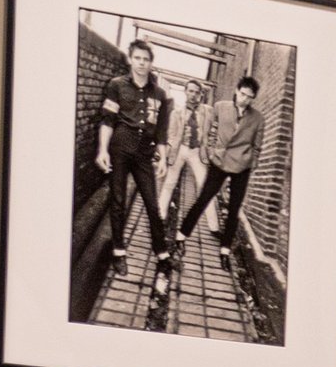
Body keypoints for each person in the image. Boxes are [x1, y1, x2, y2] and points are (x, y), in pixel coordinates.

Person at [92, 40, 171, 286]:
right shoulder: (116, 86)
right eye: (137, 58)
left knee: (151, 202)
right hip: (120, 147)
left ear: (151, 63)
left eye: (146, 59)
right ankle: (118, 251)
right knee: (118, 201)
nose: (141, 63)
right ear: (130, 59)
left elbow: (161, 133)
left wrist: (164, 159)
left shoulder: (159, 95)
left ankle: (161, 253)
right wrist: (102, 149)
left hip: (144, 153)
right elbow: (107, 120)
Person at [176, 74, 264, 254]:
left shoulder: (258, 118)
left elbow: (257, 145)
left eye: (249, 97)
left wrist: (252, 162)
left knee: (234, 207)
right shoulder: (220, 107)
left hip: (242, 165)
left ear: (253, 98)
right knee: (204, 198)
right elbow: (210, 131)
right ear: (236, 91)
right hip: (219, 161)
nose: (245, 99)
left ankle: (225, 248)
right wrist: (210, 151)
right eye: (242, 94)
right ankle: (181, 235)